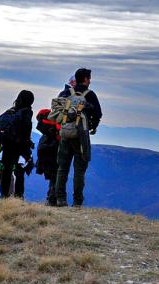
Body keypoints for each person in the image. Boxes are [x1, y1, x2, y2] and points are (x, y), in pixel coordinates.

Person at [55, 68, 102, 207]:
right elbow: (98, 114)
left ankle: (60, 199)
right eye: (89, 78)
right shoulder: (89, 94)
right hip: (81, 136)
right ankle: (77, 202)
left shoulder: (65, 93)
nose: (90, 81)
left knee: (62, 168)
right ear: (86, 79)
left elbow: (57, 110)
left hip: (65, 134)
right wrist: (92, 125)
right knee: (79, 171)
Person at [0, 90, 34, 198]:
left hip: (7, 145)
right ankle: (18, 196)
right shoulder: (26, 112)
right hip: (20, 145)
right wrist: (27, 149)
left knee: (6, 170)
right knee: (19, 171)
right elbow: (26, 130)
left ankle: (4, 195)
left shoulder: (10, 111)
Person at [35, 109, 60, 206]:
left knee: (53, 178)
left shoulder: (46, 131)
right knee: (55, 177)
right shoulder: (54, 128)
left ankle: (51, 199)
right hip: (54, 156)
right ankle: (52, 199)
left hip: (47, 157)